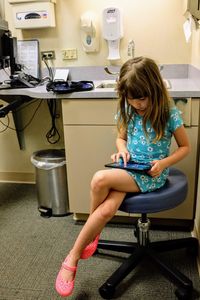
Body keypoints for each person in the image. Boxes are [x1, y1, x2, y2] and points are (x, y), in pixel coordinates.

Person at [55, 56, 190, 297]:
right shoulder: (128, 108)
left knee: (99, 179)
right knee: (106, 211)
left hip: (152, 173)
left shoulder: (169, 113)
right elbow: (121, 138)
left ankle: (73, 255)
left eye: (142, 98)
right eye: (132, 98)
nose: (137, 104)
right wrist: (122, 150)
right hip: (130, 169)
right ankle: (94, 231)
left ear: (155, 90)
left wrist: (163, 163)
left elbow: (184, 148)